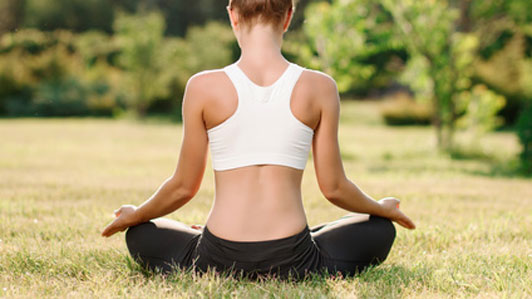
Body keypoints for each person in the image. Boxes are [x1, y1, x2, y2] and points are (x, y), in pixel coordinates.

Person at [101, 0, 416, 280]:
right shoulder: (320, 87)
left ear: (232, 15)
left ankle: (197, 235)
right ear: (289, 17)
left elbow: (183, 187)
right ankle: (316, 235)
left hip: (215, 257)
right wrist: (381, 208)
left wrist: (137, 214)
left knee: (140, 234)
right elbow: (334, 188)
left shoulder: (202, 87)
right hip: (295, 258)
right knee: (377, 229)